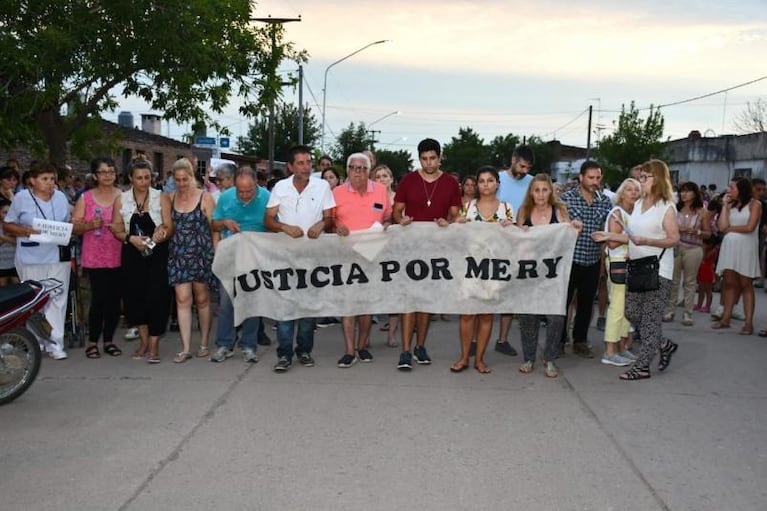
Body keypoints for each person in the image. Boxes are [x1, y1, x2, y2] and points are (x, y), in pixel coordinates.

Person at [592, 159, 680, 380]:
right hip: (637, 268)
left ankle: (642, 366)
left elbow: (673, 239)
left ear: (657, 179)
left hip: (658, 270)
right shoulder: (639, 205)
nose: (641, 181)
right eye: (640, 177)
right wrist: (610, 236)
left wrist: (647, 240)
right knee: (631, 311)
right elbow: (632, 236)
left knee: (650, 319)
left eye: (645, 177)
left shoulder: (666, 207)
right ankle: (663, 344)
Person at [392, 138, 461, 371]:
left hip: (436, 250)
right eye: (424, 159)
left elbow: (455, 215)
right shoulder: (408, 180)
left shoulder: (451, 182)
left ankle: (420, 346)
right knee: (409, 299)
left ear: (440, 157)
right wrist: (401, 220)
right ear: (419, 158)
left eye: (433, 158)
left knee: (426, 299)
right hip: (410, 248)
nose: (429, 163)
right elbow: (396, 211)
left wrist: (448, 222)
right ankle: (405, 350)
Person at [265, 145, 335, 372]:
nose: (306, 167)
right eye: (301, 163)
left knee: (307, 308)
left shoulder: (322, 186)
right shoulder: (280, 187)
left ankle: (304, 350)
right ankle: (284, 354)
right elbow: (268, 220)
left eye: (309, 162)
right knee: (286, 306)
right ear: (290, 166)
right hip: (285, 256)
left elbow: (330, 217)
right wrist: (283, 227)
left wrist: (321, 224)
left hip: (312, 257)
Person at [2, 162, 72, 359]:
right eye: (45, 179)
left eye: (52, 178)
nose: (50, 183)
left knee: (57, 299)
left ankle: (55, 343)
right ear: (32, 181)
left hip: (57, 255)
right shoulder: (22, 198)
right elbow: (8, 225)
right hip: (30, 256)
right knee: (33, 301)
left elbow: (65, 221)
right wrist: (26, 231)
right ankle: (35, 342)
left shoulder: (60, 197)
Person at [330, 153, 392, 367]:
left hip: (372, 254)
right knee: (349, 304)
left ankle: (363, 346)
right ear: (347, 170)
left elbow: (388, 216)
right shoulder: (336, 193)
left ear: (368, 170)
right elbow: (328, 221)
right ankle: (349, 350)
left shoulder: (381, 191)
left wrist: (387, 224)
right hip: (345, 255)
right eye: (353, 167)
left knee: (366, 304)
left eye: (362, 168)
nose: (357, 171)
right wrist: (335, 227)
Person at [452, 166, 515, 374]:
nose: (486, 184)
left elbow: (514, 241)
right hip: (470, 267)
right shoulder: (468, 207)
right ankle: (463, 357)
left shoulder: (506, 208)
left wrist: (510, 228)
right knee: (468, 314)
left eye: (490, 180)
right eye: (482, 181)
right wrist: (456, 225)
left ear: (497, 183)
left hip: (494, 268)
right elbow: (458, 239)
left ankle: (479, 359)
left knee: (487, 315)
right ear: (477, 185)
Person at [110, 159, 173, 364]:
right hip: (132, 254)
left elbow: (169, 227)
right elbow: (117, 229)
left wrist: (160, 234)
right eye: (139, 178)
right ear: (130, 178)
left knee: (157, 298)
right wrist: (130, 239)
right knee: (135, 299)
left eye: (147, 177)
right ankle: (144, 341)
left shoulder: (160, 197)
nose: (144, 182)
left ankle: (154, 345)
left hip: (157, 254)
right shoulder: (121, 200)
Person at [516, 173, 578, 378]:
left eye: (544, 190)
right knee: (528, 317)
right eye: (537, 190)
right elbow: (515, 243)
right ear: (531, 192)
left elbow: (568, 236)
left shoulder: (559, 210)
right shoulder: (524, 211)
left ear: (550, 191)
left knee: (555, 317)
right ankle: (528, 357)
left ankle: (550, 358)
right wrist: (518, 231)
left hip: (554, 275)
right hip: (529, 272)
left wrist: (576, 227)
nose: (541, 194)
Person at [210, 166, 271, 363]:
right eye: (240, 191)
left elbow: (276, 226)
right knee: (227, 303)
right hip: (231, 255)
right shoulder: (226, 197)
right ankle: (224, 345)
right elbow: (213, 224)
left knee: (252, 303)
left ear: (257, 184)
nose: (244, 195)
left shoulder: (268, 197)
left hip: (256, 257)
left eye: (249, 191)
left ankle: (248, 345)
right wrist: (225, 223)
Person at [558, 161, 613, 358]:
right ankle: (559, 340)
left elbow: (607, 232)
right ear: (581, 178)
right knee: (563, 302)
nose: (594, 182)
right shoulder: (566, 199)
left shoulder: (605, 202)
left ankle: (580, 340)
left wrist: (602, 260)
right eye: (591, 178)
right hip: (569, 259)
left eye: (598, 178)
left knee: (587, 304)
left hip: (592, 260)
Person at [72, 157, 123, 359]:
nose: (108, 176)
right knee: (99, 299)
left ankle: (109, 340)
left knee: (114, 301)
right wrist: (90, 225)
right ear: (95, 176)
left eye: (111, 171)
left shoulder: (123, 196)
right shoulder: (86, 198)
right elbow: (74, 227)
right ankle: (93, 342)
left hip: (119, 253)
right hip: (95, 255)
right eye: (103, 172)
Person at [166, 158, 216, 363]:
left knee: (202, 299)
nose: (181, 183)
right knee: (182, 299)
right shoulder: (169, 198)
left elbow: (214, 228)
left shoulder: (205, 197)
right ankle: (185, 347)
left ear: (191, 177)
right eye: (177, 180)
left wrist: (216, 251)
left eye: (184, 179)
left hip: (201, 253)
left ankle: (204, 342)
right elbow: (166, 226)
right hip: (178, 254)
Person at [494, 145, 535, 356]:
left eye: (528, 167)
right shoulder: (497, 180)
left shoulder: (532, 183)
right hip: (495, 243)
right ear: (513, 159)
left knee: (510, 294)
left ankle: (502, 340)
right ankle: (474, 340)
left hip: (520, 244)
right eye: (521, 166)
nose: (524, 171)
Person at [597, 178, 641, 367]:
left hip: (630, 264)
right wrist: (635, 239)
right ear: (622, 193)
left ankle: (622, 348)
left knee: (625, 309)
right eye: (629, 189)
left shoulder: (634, 213)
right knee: (617, 308)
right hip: (618, 262)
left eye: (636, 190)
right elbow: (612, 242)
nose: (633, 193)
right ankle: (609, 351)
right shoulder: (617, 213)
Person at [712, 178, 762, 335]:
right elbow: (721, 227)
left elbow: (750, 227)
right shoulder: (730, 205)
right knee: (729, 284)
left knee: (746, 284)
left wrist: (730, 228)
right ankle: (725, 318)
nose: (729, 190)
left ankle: (748, 323)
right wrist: (725, 207)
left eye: (732, 187)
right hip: (729, 248)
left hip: (746, 248)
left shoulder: (755, 205)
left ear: (741, 189)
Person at [664, 182, 710, 326]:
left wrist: (696, 232)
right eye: (682, 191)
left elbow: (709, 234)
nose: (683, 194)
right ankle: (670, 310)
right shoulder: (674, 209)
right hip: (676, 246)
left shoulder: (702, 212)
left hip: (694, 249)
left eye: (688, 191)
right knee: (673, 281)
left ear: (695, 194)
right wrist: (677, 228)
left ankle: (687, 313)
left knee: (690, 282)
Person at [373, 164, 400, 347]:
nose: (382, 179)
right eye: (378, 176)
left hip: (396, 250)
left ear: (391, 178)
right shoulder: (371, 197)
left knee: (394, 293)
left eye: (385, 176)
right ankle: (365, 336)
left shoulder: (399, 199)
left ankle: (391, 334)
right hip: (374, 249)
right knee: (373, 291)